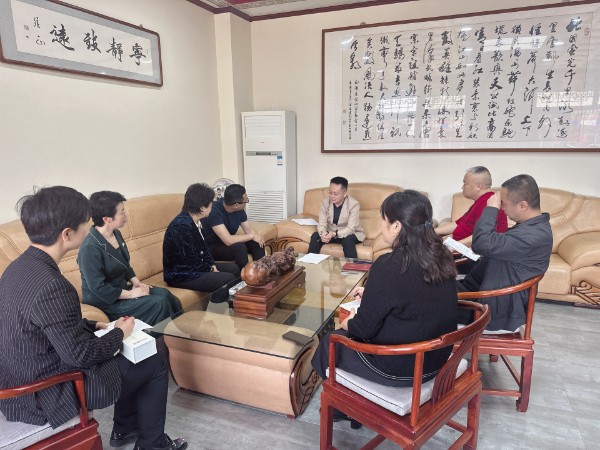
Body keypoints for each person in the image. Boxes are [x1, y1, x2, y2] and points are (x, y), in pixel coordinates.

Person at [0, 186, 187, 450]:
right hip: (47, 393)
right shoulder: (53, 286)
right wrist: (119, 333)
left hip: (19, 382)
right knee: (153, 357)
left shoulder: (17, 269)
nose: (89, 228)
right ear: (67, 234)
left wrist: (91, 324)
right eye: (85, 223)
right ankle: (152, 444)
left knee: (136, 353)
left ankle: (125, 430)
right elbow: (82, 355)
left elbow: (41, 324)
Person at [312, 190, 458, 418]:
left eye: (383, 219)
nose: (381, 225)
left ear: (396, 226)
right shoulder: (442, 255)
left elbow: (363, 329)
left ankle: (343, 408)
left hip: (402, 368)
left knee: (331, 340)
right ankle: (346, 405)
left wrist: (350, 323)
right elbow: (415, 295)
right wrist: (373, 294)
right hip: (437, 360)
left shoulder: (389, 265)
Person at [458, 174, 553, 332]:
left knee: (424, 303)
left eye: (504, 204)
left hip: (493, 309)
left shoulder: (533, 235)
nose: (502, 208)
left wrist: (491, 209)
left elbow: (482, 243)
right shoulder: (530, 227)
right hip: (482, 293)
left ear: (523, 205)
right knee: (430, 287)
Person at [78, 191, 182, 325]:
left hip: (123, 291)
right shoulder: (89, 248)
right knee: (159, 303)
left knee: (166, 295)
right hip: (107, 302)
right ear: (107, 219)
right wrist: (132, 294)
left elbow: (124, 264)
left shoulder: (116, 234)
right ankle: (162, 336)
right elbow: (98, 288)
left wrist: (137, 282)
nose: (125, 215)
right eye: (122, 212)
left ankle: (181, 332)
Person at [163, 183, 241, 303]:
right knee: (227, 278)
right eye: (211, 204)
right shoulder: (181, 225)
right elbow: (190, 260)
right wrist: (209, 269)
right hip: (181, 274)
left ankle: (232, 304)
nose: (212, 207)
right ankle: (214, 310)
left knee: (234, 269)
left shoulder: (196, 221)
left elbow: (204, 249)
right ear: (202, 208)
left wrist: (211, 264)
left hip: (195, 268)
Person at [435, 166, 508, 246]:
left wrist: (454, 246)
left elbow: (482, 236)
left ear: (478, 186)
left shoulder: (488, 203)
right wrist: (434, 231)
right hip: (456, 242)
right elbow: (458, 223)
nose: (462, 187)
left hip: (468, 248)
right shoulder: (480, 201)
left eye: (465, 183)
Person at [201, 183, 265, 271]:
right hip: (212, 248)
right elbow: (228, 240)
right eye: (246, 200)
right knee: (239, 247)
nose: (247, 201)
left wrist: (259, 239)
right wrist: (252, 236)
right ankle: (244, 276)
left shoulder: (239, 210)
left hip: (225, 243)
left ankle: (261, 272)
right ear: (236, 205)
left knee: (256, 242)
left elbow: (249, 230)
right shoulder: (214, 211)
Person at [307, 176, 365, 259]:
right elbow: (322, 223)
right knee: (315, 236)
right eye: (330, 192)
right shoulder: (325, 202)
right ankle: (309, 263)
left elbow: (351, 228)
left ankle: (353, 266)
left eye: (335, 194)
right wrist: (323, 233)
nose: (332, 196)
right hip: (330, 233)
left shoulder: (354, 204)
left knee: (348, 240)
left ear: (345, 193)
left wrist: (335, 234)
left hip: (349, 234)